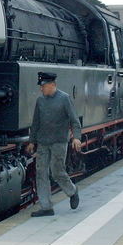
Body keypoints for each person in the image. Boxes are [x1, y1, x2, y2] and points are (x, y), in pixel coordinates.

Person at [26, 72, 81, 217]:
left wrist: (77, 138)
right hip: (43, 143)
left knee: (57, 171)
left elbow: (74, 120)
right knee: (41, 173)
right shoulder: (40, 101)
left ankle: (72, 191)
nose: (41, 89)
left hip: (59, 142)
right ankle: (46, 207)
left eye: (43, 86)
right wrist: (32, 141)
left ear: (52, 85)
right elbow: (35, 122)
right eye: (41, 86)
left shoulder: (64, 99)